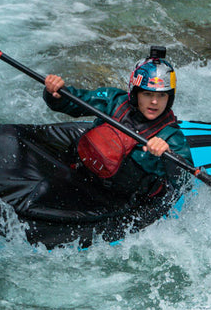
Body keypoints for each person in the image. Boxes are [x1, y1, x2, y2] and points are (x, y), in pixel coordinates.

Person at [43, 50, 192, 201]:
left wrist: (168, 155)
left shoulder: (171, 136)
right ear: (135, 94)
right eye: (147, 94)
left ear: (169, 98)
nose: (154, 102)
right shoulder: (114, 101)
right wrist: (56, 94)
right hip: (87, 174)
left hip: (121, 200)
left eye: (161, 95)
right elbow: (75, 101)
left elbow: (184, 182)